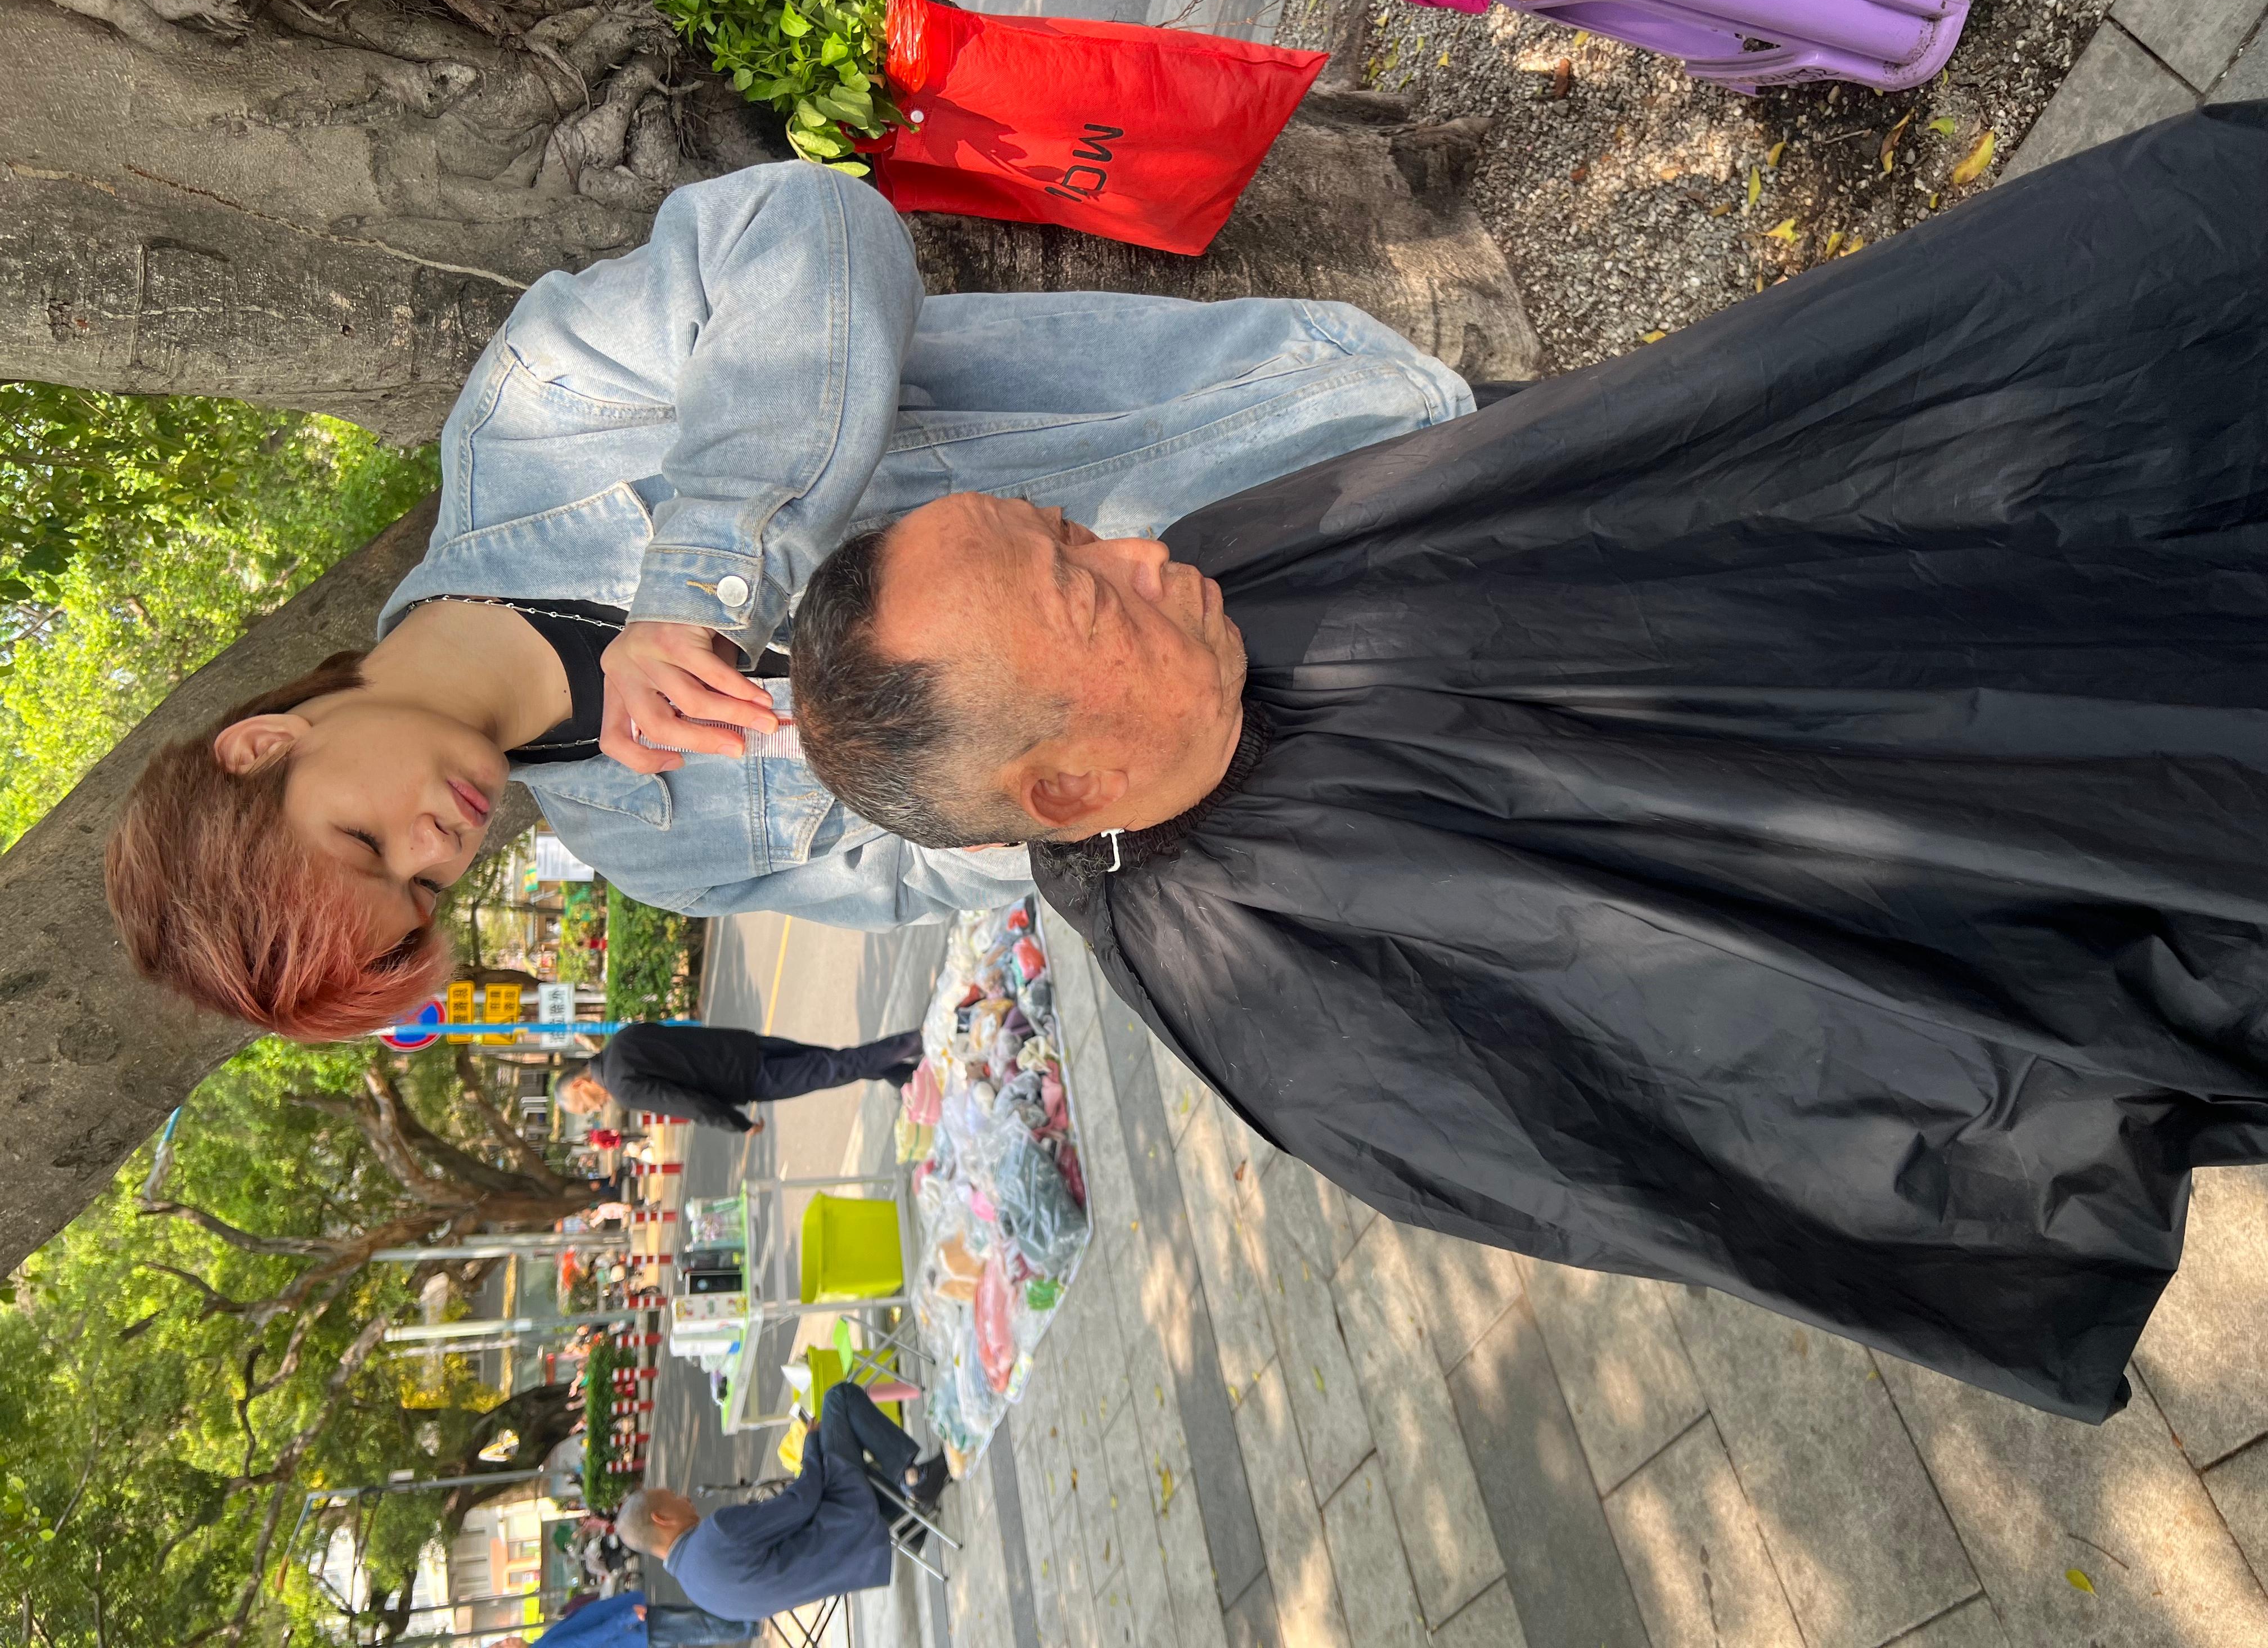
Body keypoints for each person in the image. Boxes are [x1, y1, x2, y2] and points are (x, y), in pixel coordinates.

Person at [788, 104, 2268, 1424]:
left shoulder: (1227, 567)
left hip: (1907, 584)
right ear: (1065, 794)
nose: (1140, 553)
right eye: (1089, 594)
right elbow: (1795, 1094)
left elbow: (1636, 468)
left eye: (1071, 528)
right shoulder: (1302, 1005)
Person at [101, 158, 1470, 1043]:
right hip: (1352, 697)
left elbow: (809, 221)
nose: (436, 844)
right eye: (420, 894)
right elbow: (922, 875)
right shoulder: (654, 852)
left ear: (263, 743)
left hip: (1334, 460)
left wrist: (704, 578)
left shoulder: (538, 422)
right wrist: (1021, 787)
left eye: (363, 841)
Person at [613, 1383, 947, 1620]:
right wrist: (810, 1444)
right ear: (661, 1518)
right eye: (674, 1497)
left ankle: (907, 1521)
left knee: (836, 1465)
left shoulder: (697, 1593)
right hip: (843, 1526)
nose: (685, 1498)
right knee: (838, 1399)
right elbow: (802, 1501)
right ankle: (913, 1480)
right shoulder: (715, 1534)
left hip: (848, 1564)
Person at [561, 1020, 924, 1133]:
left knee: (836, 1068)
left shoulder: (623, 1088)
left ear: (581, 1084)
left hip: (747, 1079)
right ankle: (906, 1076)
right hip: (742, 1045)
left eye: (585, 1106)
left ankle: (920, 1039)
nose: (595, 1110)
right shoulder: (623, 1039)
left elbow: (688, 1104)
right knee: (832, 1061)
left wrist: (739, 1124)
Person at [492, 1588, 753, 1647]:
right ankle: (749, 1624)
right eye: (502, 1647)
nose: (507, 1640)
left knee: (696, 1621)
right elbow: (588, 1640)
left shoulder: (542, 1643)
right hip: (634, 1630)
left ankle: (748, 1619)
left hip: (633, 1631)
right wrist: (627, 1618)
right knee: (699, 1626)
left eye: (500, 1641)